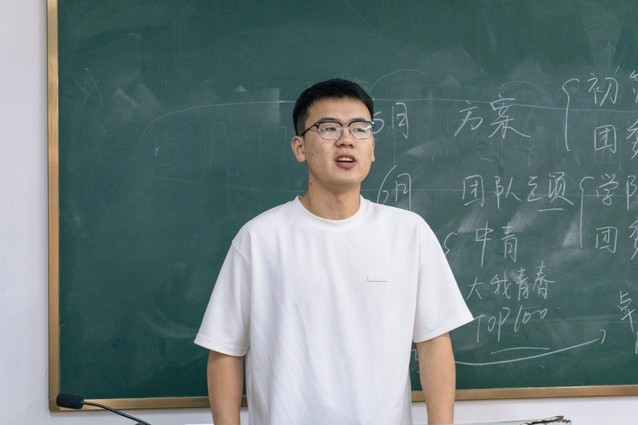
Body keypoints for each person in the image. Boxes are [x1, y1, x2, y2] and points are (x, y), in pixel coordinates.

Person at [194, 78, 473, 425]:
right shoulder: (259, 238)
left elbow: (434, 343)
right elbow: (224, 350)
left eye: (360, 128)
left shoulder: (408, 233)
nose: (346, 139)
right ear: (299, 147)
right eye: (328, 128)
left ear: (372, 147)